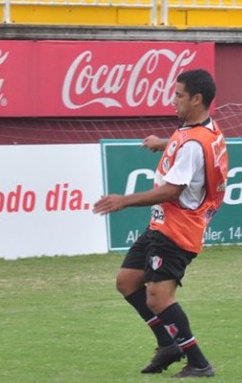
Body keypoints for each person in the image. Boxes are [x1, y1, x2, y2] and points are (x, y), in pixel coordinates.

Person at [93, 69, 228, 378]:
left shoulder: (193, 143)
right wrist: (164, 143)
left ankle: (198, 362)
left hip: (177, 231)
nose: (174, 100)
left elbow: (171, 190)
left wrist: (124, 200)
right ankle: (167, 345)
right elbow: (193, 147)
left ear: (196, 98)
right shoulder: (203, 130)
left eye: (179, 95)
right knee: (127, 282)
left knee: (158, 299)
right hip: (161, 224)